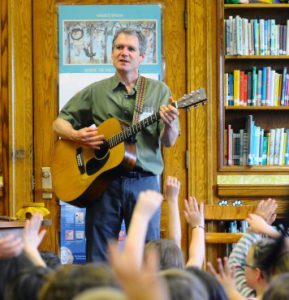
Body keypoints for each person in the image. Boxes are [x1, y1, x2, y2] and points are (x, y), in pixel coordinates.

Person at [53, 27, 179, 263]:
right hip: (103, 183)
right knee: (98, 256)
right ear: (112, 54)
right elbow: (59, 124)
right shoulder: (95, 92)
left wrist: (170, 124)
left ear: (141, 57)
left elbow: (169, 141)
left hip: (144, 183)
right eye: (119, 47)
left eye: (131, 49)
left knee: (147, 257)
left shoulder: (159, 91)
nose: (125, 53)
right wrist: (78, 136)